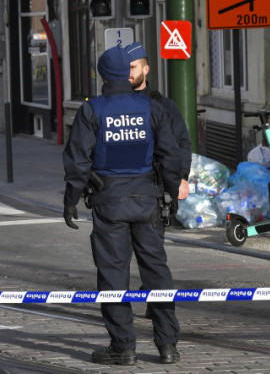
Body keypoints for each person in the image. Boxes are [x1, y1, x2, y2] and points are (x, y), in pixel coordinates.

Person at [62, 46, 183, 366]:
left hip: (109, 202)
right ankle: (167, 345)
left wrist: (71, 199)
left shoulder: (93, 110)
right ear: (126, 74)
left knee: (113, 275)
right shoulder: (151, 107)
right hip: (147, 200)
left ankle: (123, 348)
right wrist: (171, 194)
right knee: (157, 271)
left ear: (102, 75)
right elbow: (170, 156)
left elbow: (78, 159)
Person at [125, 42, 192, 201]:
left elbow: (181, 142)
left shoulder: (163, 105)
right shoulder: (110, 105)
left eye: (132, 67)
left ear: (145, 69)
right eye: (124, 69)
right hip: (120, 185)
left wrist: (181, 177)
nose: (127, 73)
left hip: (154, 185)